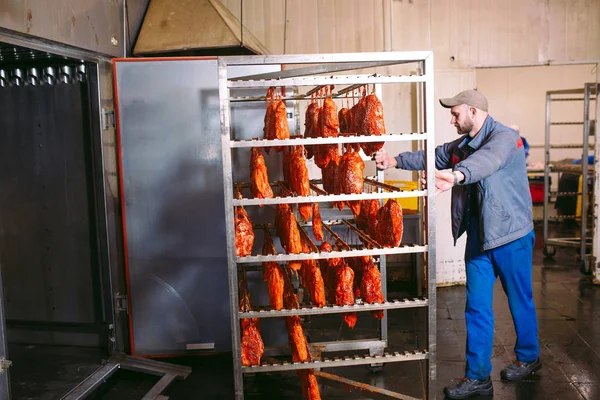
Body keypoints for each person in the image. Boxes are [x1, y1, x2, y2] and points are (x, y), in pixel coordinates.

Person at [375, 89, 541, 399]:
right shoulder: (462, 146)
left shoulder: (505, 138)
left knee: (520, 299)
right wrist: (394, 160)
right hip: (479, 238)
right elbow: (433, 154)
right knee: (476, 306)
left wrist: (455, 176)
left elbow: (486, 161)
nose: (452, 118)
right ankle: (478, 376)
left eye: (456, 113)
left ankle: (529, 357)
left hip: (511, 236)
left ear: (474, 113)